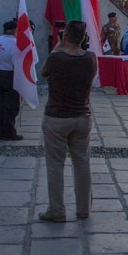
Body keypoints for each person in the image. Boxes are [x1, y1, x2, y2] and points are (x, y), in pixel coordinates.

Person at [40, 20, 98, 222]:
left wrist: (58, 45)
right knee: (82, 162)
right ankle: (84, 209)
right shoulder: (91, 59)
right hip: (82, 115)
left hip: (57, 117)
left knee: (55, 164)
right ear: (83, 38)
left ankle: (57, 210)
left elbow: (44, 72)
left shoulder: (56, 58)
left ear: (65, 37)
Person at [0, 20, 23, 141]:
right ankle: (9, 132)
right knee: (12, 105)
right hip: (9, 74)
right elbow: (17, 63)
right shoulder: (15, 43)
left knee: (0, 104)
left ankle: (2, 132)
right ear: (15, 30)